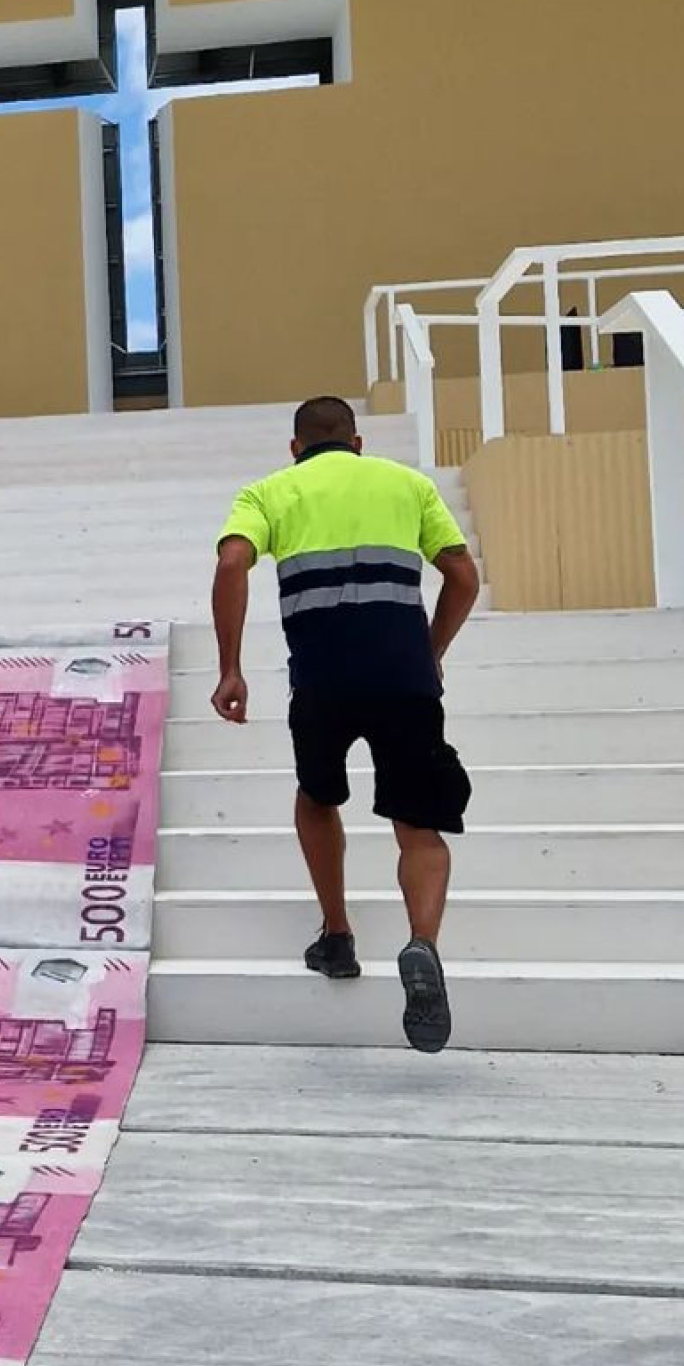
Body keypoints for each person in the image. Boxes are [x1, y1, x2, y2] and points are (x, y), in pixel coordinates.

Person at [209, 395, 481, 1054]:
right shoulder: (407, 483)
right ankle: (422, 943)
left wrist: (231, 668)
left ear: (295, 448)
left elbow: (231, 564)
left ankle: (337, 935)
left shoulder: (270, 492)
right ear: (357, 442)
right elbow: (463, 577)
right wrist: (432, 651)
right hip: (404, 679)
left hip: (323, 682)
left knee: (318, 796)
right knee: (419, 825)